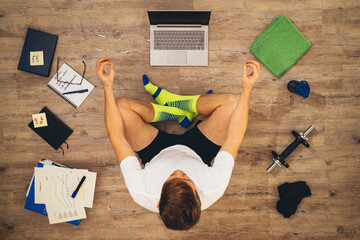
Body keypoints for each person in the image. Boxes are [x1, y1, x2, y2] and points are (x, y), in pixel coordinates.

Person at [96, 57, 260, 230]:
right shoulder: (214, 186)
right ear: (198, 196)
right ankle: (180, 107)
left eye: (172, 177)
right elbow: (234, 138)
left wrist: (107, 86)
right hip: (198, 151)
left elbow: (117, 138)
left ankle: (172, 110)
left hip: (155, 152)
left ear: (159, 200)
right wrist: (247, 89)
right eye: (187, 178)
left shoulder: (141, 190)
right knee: (236, 103)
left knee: (118, 107)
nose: (179, 171)